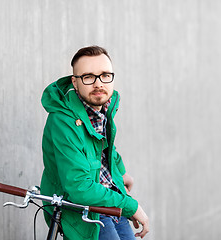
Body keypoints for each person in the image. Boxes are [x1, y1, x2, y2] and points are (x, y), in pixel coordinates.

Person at [40, 46, 149, 240]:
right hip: (83, 209)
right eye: (88, 77)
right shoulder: (63, 120)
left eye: (105, 75)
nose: (98, 84)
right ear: (75, 82)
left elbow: (105, 146)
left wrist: (120, 172)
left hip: (107, 198)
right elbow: (79, 187)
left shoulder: (102, 107)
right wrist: (131, 206)